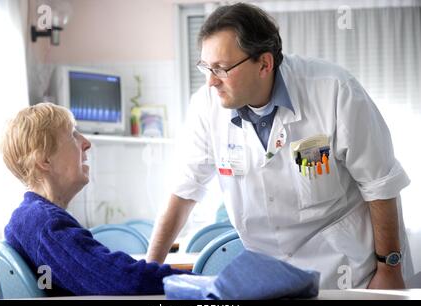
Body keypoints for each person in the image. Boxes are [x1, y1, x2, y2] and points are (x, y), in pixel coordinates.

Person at [147, 3, 414, 289]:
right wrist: (146, 273)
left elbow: (380, 185)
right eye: (206, 67)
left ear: (264, 64)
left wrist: (389, 269)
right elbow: (184, 190)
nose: (211, 81)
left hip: (351, 273)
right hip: (273, 280)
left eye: (222, 69)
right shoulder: (206, 106)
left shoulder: (334, 90)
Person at [1, 102, 189, 296]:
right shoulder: (47, 225)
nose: (86, 143)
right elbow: (121, 279)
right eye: (73, 134)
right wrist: (200, 282)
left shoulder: (29, 218)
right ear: (44, 160)